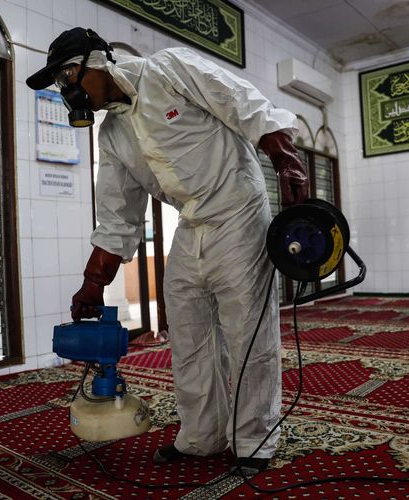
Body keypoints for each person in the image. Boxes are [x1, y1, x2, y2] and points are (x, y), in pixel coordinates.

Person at [27, 27, 309, 472]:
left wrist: (285, 157)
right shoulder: (113, 136)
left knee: (247, 332)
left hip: (238, 210)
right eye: (60, 84)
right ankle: (202, 436)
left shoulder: (170, 69)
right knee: (188, 332)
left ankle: (255, 440)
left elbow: (241, 103)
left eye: (67, 77)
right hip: (191, 223)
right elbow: (119, 217)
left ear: (97, 61)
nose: (66, 91)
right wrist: (91, 285)